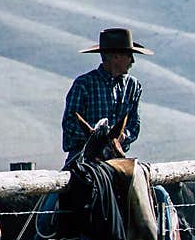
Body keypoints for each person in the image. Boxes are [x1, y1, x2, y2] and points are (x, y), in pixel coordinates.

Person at [60, 27, 153, 167]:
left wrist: (122, 136)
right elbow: (70, 125)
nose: (132, 61)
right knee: (61, 187)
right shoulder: (84, 84)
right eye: (129, 55)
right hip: (83, 157)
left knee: (156, 189)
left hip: (118, 158)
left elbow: (134, 125)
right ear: (116, 56)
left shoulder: (133, 86)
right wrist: (97, 138)